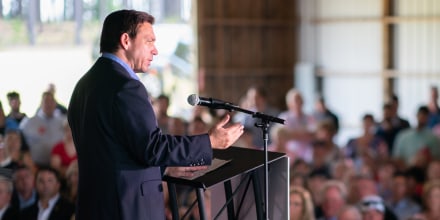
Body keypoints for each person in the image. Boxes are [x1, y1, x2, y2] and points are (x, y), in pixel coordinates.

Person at [67, 9, 244, 220]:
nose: (155, 50)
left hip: (95, 207)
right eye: (149, 41)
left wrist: (162, 169)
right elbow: (153, 147)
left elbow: (114, 152)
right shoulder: (127, 86)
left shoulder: (83, 85)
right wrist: (210, 141)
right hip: (127, 209)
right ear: (126, 40)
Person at [20, 92, 65, 167]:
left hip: (58, 166)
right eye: (46, 101)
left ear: (55, 104)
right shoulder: (29, 122)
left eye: (51, 101)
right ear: (41, 104)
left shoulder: (63, 121)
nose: (49, 104)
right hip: (36, 166)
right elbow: (20, 141)